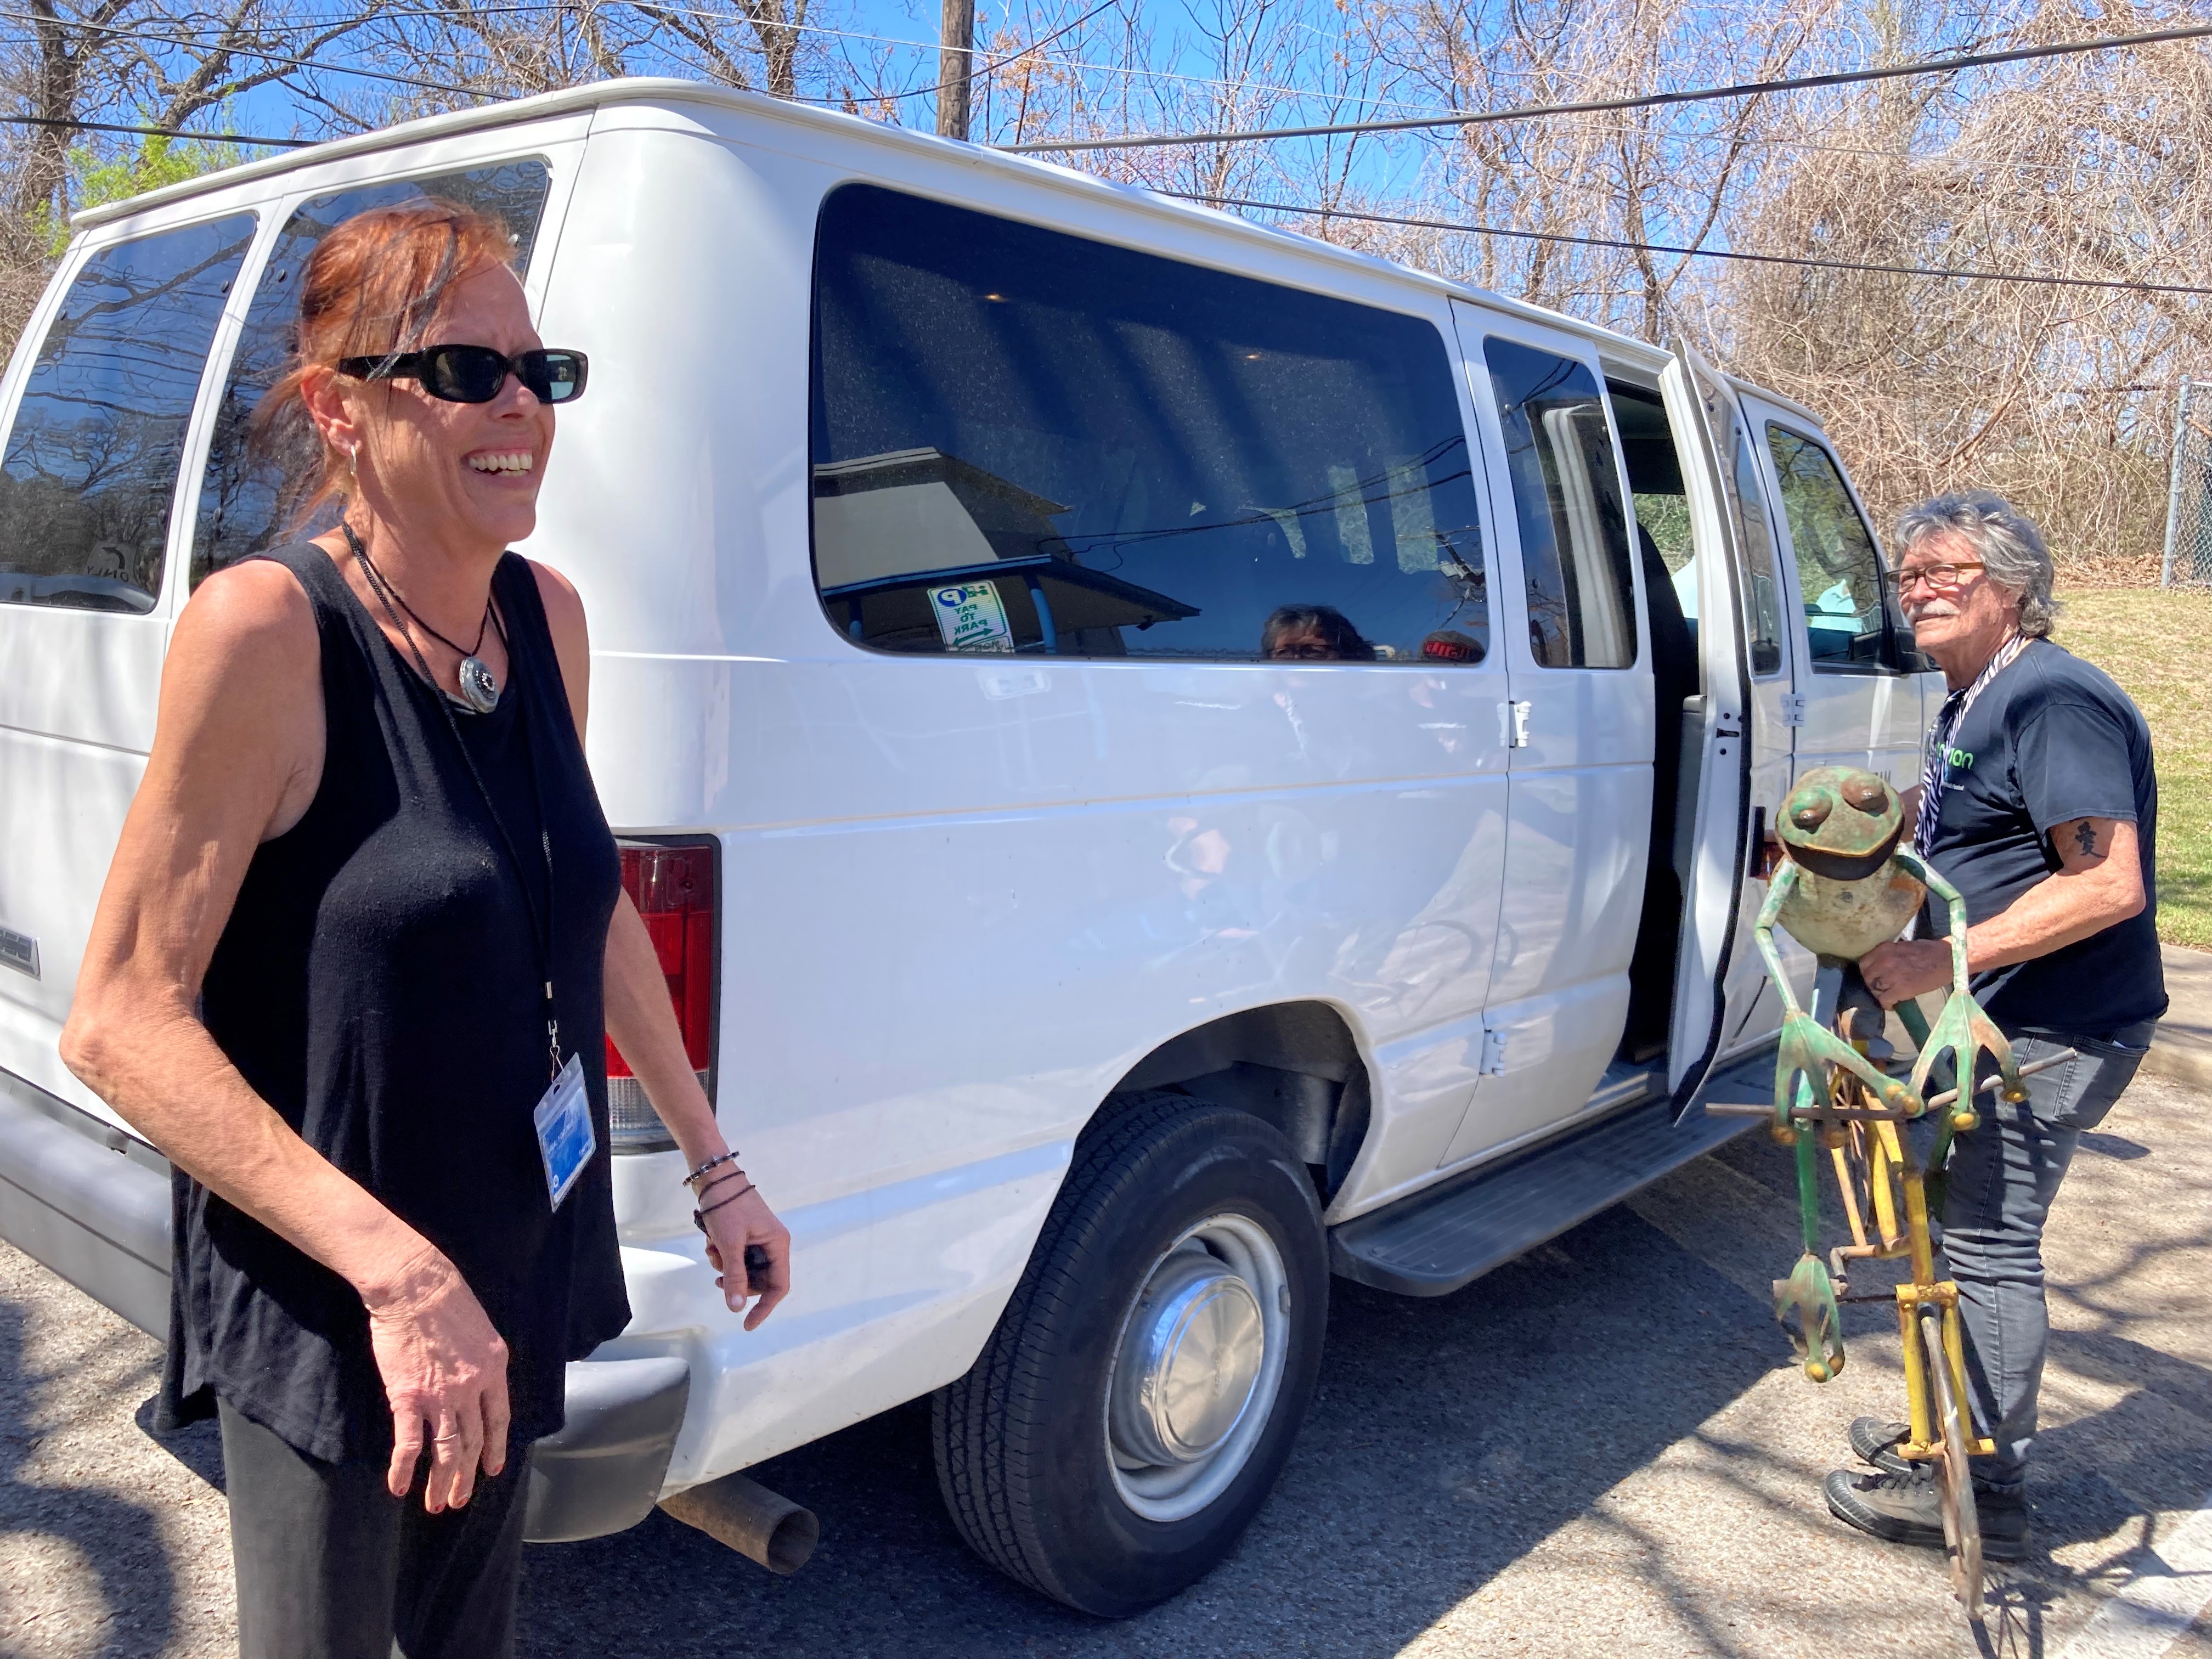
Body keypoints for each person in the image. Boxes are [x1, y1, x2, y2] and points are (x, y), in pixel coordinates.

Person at [59, 199, 791, 1658]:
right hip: (344, 1294)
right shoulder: (268, 633)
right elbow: (122, 1018)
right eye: (465, 371)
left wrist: (717, 1168)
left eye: (542, 370)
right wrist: (400, 1275)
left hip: (511, 1248)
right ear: (338, 408)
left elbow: (582, 911)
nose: (520, 403)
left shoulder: (549, 622)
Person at [1826, 491, 2164, 1560]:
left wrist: (1942, 958)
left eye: (1945, 574)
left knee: (1984, 1239)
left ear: (2011, 586)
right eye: (1908, 576)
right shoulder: (1977, 699)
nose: (1918, 590)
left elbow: (2110, 884)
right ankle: (1949, 1435)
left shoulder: (2053, 701)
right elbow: (1966, 828)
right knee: (1942, 1223)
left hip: (2060, 1026)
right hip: (1991, 1019)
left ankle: (1984, 1482)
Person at [1260, 603, 1373, 661]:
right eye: (1284, 652)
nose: (1297, 659)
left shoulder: (1378, 705)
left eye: (1312, 651)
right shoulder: (1255, 706)